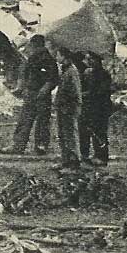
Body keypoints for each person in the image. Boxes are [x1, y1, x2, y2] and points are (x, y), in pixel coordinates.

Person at [4, 35, 59, 156]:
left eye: (32, 45)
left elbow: (52, 79)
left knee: (41, 120)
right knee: (26, 119)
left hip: (41, 94)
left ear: (37, 45)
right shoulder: (32, 58)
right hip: (31, 93)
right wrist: (21, 88)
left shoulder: (47, 59)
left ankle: (39, 146)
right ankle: (19, 145)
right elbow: (25, 75)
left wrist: (44, 90)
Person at [52, 43, 83, 171]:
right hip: (63, 107)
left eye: (58, 55)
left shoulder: (71, 71)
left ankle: (74, 162)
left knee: (70, 135)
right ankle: (65, 160)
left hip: (69, 108)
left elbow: (75, 92)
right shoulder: (65, 70)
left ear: (63, 56)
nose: (56, 57)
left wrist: (69, 104)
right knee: (63, 135)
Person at [80, 52, 113, 166]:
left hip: (100, 107)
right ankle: (84, 155)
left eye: (91, 59)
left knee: (99, 132)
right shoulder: (87, 73)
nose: (89, 61)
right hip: (88, 107)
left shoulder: (103, 74)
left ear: (98, 60)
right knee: (84, 131)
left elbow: (100, 91)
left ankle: (101, 156)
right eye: (87, 59)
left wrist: (84, 94)